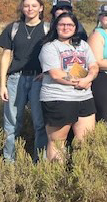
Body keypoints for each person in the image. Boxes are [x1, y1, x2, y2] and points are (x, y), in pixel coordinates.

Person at [39, 13, 99, 161]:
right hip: (58, 99)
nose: (66, 28)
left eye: (70, 25)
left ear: (75, 28)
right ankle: (56, 178)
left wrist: (89, 78)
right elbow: (56, 74)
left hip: (84, 98)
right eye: (62, 24)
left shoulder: (83, 45)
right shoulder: (49, 47)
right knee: (57, 142)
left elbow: (94, 66)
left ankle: (79, 174)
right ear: (55, 26)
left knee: (85, 140)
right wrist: (81, 82)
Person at [0, 0, 49, 162]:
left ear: (41, 8)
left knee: (40, 124)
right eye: (27, 6)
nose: (30, 8)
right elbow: (6, 56)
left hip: (38, 80)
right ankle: (8, 161)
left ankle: (39, 162)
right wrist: (2, 84)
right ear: (22, 8)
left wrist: (47, 73)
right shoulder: (13, 28)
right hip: (15, 79)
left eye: (34, 5)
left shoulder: (48, 29)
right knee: (11, 123)